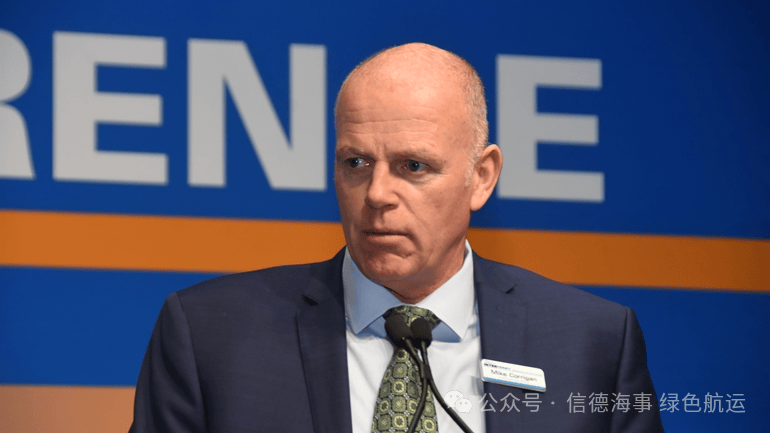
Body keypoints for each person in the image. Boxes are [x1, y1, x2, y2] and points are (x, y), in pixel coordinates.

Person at [129, 43, 664, 433]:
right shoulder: (209, 336)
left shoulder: (592, 343)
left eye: (413, 166)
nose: (377, 193)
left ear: (481, 177)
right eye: (356, 163)